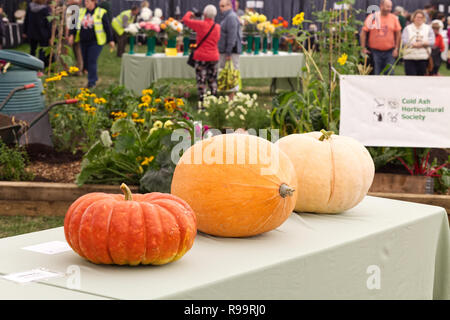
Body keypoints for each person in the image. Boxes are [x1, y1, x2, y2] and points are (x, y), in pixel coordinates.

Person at [68, 0, 115, 88]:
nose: (86, 3)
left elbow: (107, 27)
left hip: (96, 42)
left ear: (94, 2)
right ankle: (94, 77)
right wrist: (71, 35)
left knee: (92, 60)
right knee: (85, 61)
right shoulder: (81, 11)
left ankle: (91, 82)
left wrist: (111, 40)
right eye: (85, 1)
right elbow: (74, 24)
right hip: (83, 41)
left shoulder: (101, 12)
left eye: (88, 1)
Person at [182, 5, 220, 104]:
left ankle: (202, 102)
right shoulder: (217, 27)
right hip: (214, 56)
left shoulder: (200, 25)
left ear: (205, 14)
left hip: (201, 56)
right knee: (213, 80)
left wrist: (192, 13)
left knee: (201, 80)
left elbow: (185, 20)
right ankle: (214, 101)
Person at [360, 0, 401, 75]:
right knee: (376, 73)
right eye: (388, 6)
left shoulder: (394, 18)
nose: (389, 9)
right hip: (374, 51)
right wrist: (363, 48)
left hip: (390, 51)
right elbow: (363, 32)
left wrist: (396, 48)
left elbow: (398, 33)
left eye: (390, 7)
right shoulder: (372, 17)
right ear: (381, 6)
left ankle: (388, 86)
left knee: (390, 73)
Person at [218, 0, 242, 97]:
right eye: (220, 6)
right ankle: (228, 95)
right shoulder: (226, 17)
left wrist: (228, 52)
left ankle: (231, 97)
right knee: (226, 72)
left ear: (229, 5)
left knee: (232, 73)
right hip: (227, 50)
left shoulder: (231, 17)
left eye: (223, 6)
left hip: (231, 51)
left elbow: (232, 37)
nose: (221, 8)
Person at [402, 10, 435, 76]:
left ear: (424, 18)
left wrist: (423, 43)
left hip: (423, 58)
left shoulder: (428, 28)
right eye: (417, 17)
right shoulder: (407, 28)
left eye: (421, 17)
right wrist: (413, 44)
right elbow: (404, 41)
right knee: (410, 78)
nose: (419, 19)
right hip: (409, 58)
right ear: (413, 18)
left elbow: (432, 41)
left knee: (421, 78)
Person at [22, 0, 51, 67]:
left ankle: (32, 65)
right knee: (42, 51)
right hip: (43, 33)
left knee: (33, 50)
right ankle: (40, 66)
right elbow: (48, 22)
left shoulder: (30, 7)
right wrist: (50, 34)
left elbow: (26, 20)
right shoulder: (46, 9)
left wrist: (25, 31)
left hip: (32, 32)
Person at [65, 0, 83, 75]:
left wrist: (69, 34)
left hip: (72, 33)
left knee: (66, 51)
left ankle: (69, 69)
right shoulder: (77, 7)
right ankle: (78, 70)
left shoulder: (73, 8)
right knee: (77, 51)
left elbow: (71, 23)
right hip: (76, 33)